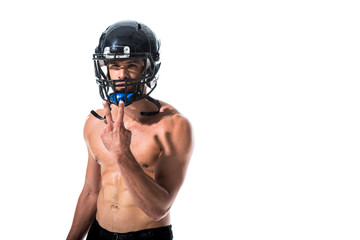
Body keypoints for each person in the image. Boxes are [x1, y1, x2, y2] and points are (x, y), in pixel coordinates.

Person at [66, 20, 193, 240]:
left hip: (147, 235)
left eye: (131, 65)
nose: (121, 75)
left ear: (148, 67)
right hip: (99, 233)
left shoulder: (173, 125)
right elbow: (90, 192)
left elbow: (158, 209)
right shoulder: (95, 122)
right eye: (115, 66)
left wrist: (122, 153)